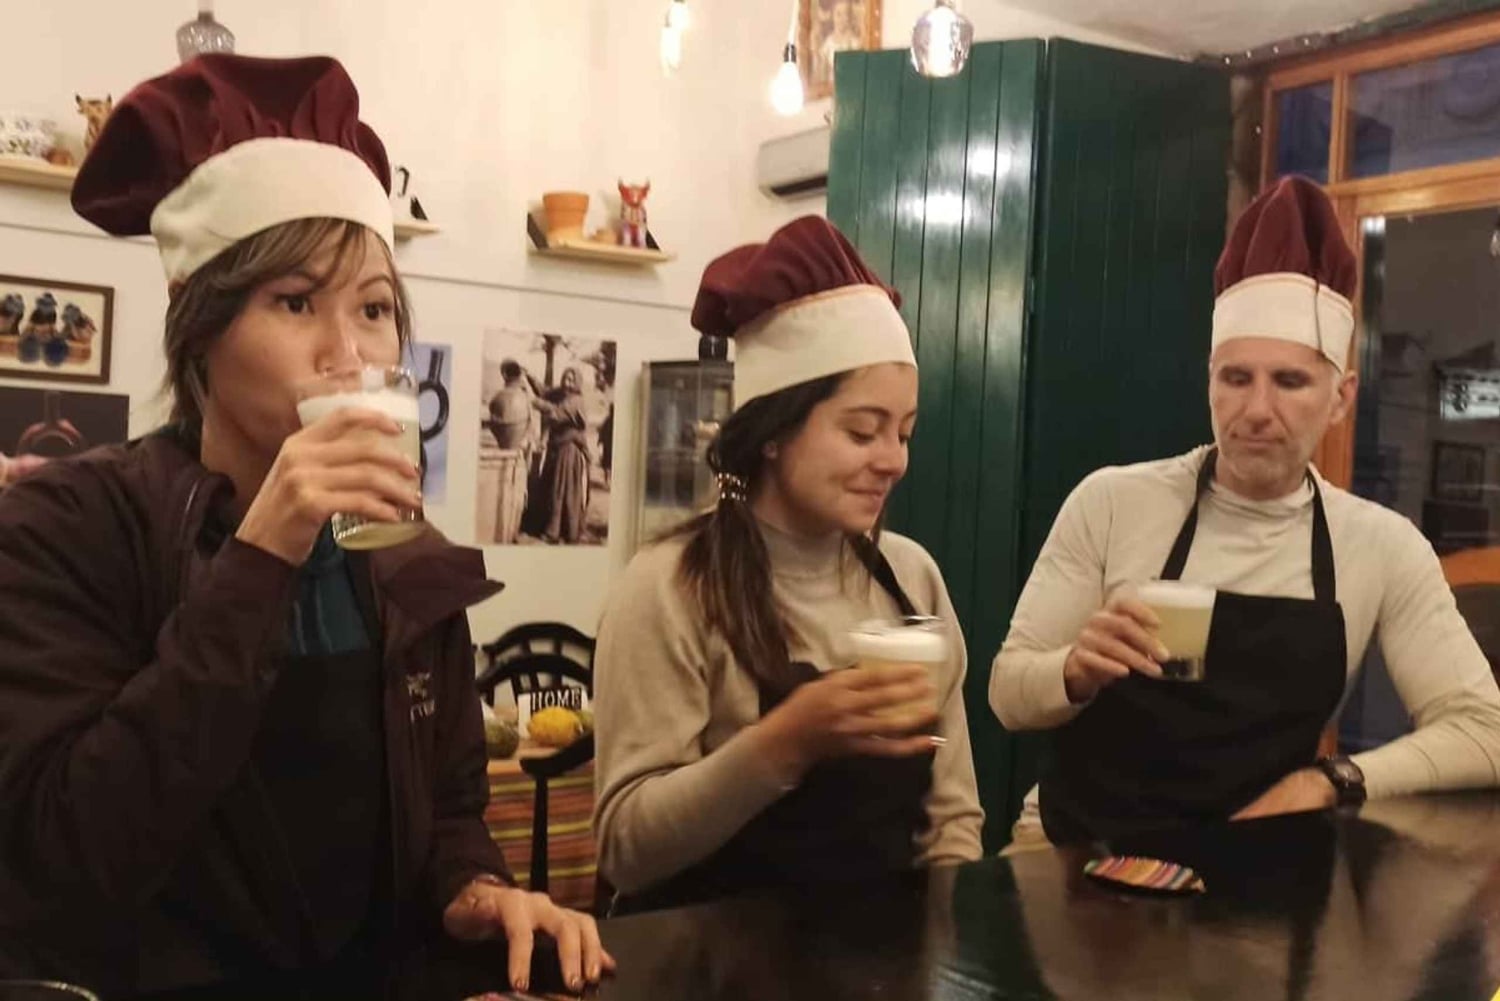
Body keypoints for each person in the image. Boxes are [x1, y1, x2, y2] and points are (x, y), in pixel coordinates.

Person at [0, 54, 610, 999]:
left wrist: (477, 888)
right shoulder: (68, 524)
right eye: (294, 302)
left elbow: (450, 809)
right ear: (197, 326)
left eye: (374, 308)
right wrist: (264, 549)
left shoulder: (407, 556)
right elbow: (63, 860)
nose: (349, 353)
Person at [991, 176, 1500, 845]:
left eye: (1290, 381)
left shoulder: (1382, 546)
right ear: (1209, 380)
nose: (1258, 409)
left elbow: (1484, 730)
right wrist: (1074, 669)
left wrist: (1333, 778)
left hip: (1258, 865)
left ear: (1342, 397)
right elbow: (1008, 695)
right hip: (1074, 850)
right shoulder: (1112, 502)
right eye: (1236, 378)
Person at [593, 216, 984, 913]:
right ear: (773, 432)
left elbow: (951, 818)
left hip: (883, 957)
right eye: (862, 431)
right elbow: (626, 847)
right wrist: (786, 743)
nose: (893, 460)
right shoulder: (670, 585)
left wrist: (944, 945)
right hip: (707, 962)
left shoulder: (912, 578)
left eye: (904, 433)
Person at [532, 366, 591, 544]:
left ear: (577, 383)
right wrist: (529, 377)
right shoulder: (563, 396)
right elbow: (545, 392)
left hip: (569, 451)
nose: (567, 383)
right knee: (556, 489)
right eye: (565, 378)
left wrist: (533, 401)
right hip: (559, 448)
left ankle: (556, 531)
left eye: (571, 380)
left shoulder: (575, 401)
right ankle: (557, 528)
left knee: (562, 490)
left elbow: (556, 413)